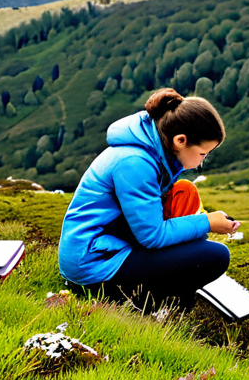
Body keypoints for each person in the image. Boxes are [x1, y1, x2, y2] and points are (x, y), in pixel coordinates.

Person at [58, 89, 239, 307]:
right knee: (216, 256)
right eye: (203, 153)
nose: (202, 161)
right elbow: (152, 236)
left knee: (184, 193)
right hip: (94, 265)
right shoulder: (135, 163)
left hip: (113, 242)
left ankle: (170, 298)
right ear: (180, 140)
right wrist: (208, 222)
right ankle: (157, 305)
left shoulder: (152, 147)